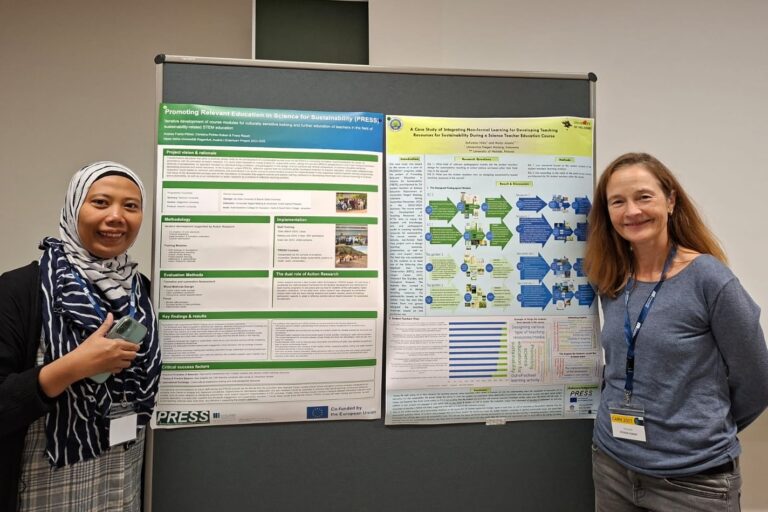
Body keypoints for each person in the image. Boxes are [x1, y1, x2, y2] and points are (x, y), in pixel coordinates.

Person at [585, 152, 768, 511]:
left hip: (693, 481)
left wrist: (700, 429)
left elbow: (757, 379)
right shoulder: (610, 277)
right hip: (613, 466)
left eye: (643, 196)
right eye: (617, 202)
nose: (632, 211)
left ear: (670, 201)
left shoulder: (709, 279)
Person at [0, 162, 161, 511]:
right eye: (100, 202)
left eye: (131, 206)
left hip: (121, 483)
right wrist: (73, 367)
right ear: (74, 208)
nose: (116, 216)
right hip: (45, 488)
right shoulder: (20, 290)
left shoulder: (142, 291)